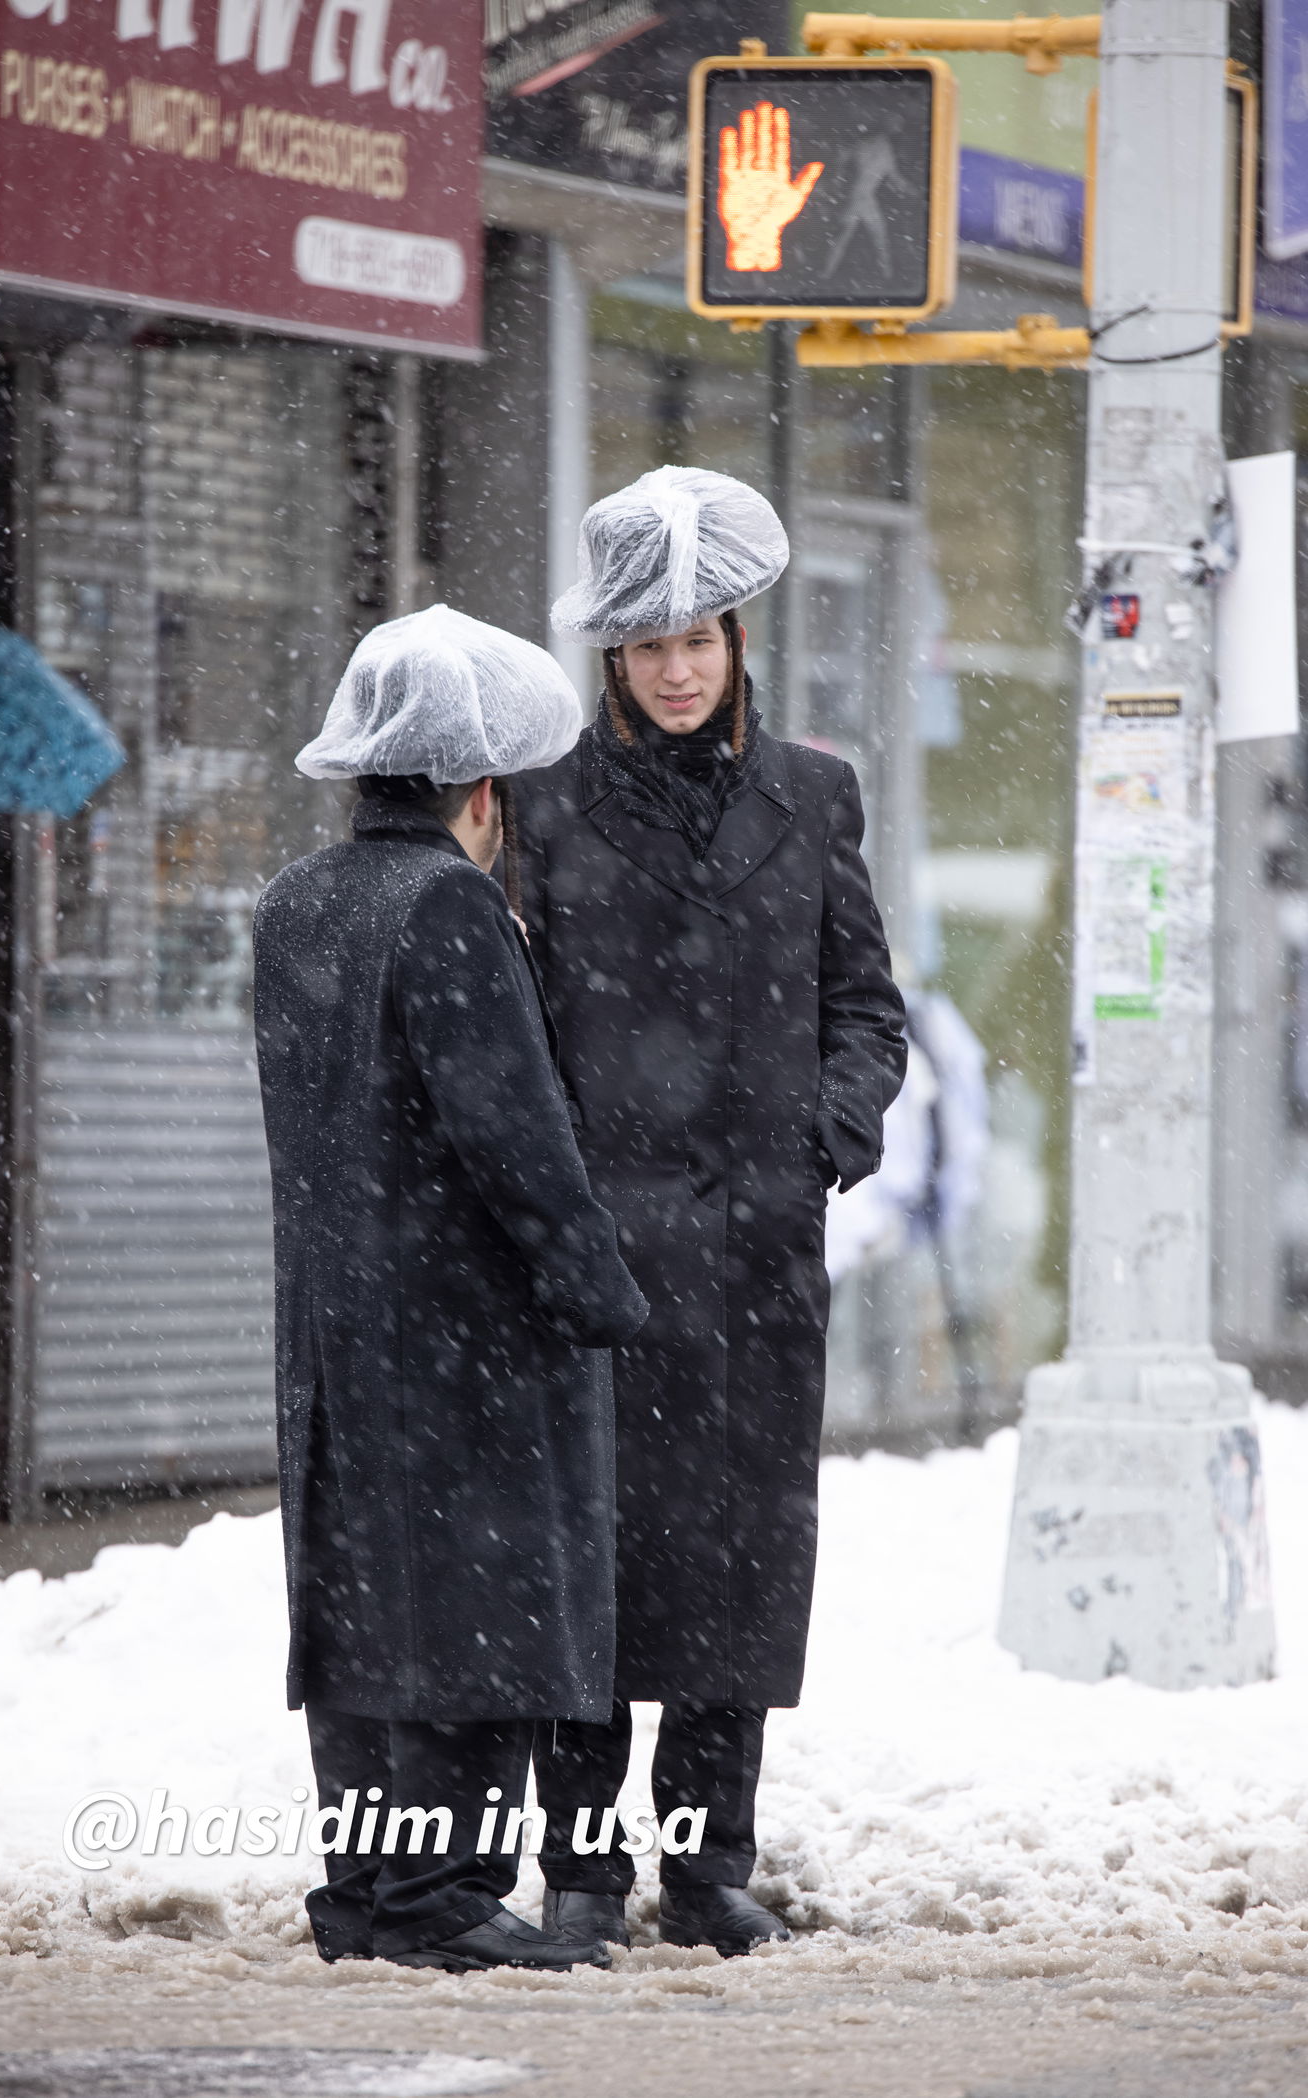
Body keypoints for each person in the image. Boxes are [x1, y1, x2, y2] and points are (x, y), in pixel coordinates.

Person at [515, 467, 908, 1957]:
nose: (678, 666)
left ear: (741, 639)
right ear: (611, 653)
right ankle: (580, 1871)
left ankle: (707, 1860)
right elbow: (517, 1023)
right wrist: (555, 1196)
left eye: (703, 637)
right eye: (649, 641)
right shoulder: (543, 801)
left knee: (739, 1556)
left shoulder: (812, 794)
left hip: (754, 1250)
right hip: (596, 1251)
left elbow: (867, 1009)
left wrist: (818, 1141)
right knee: (587, 1555)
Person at [253, 604, 648, 1974]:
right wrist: (598, 1285)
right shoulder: (452, 906)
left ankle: (365, 1884)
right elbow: (514, 1141)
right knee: (481, 1604)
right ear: (481, 795)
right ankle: (441, 1892)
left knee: (362, 1603)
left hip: (335, 1334)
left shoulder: (294, 901)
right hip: (467, 1335)